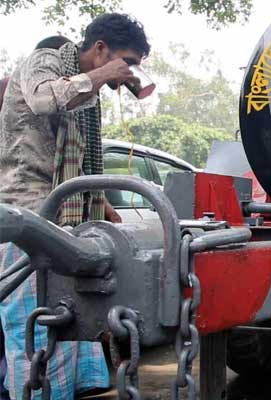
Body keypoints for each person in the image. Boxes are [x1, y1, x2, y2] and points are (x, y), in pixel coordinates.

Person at [0, 14, 150, 399]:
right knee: (32, 330)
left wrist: (105, 208)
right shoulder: (46, 59)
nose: (128, 75)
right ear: (100, 49)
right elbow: (43, 98)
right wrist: (104, 76)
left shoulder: (86, 96)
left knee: (68, 323)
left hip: (62, 221)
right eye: (127, 62)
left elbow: (79, 163)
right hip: (25, 215)